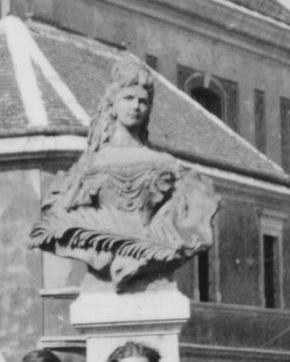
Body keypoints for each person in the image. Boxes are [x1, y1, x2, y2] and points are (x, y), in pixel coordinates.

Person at [28, 54, 217, 292]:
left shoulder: (165, 164)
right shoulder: (91, 166)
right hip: (103, 272)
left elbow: (189, 222)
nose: (136, 106)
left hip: (153, 261)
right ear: (113, 104)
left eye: (143, 101)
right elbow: (59, 215)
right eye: (128, 98)